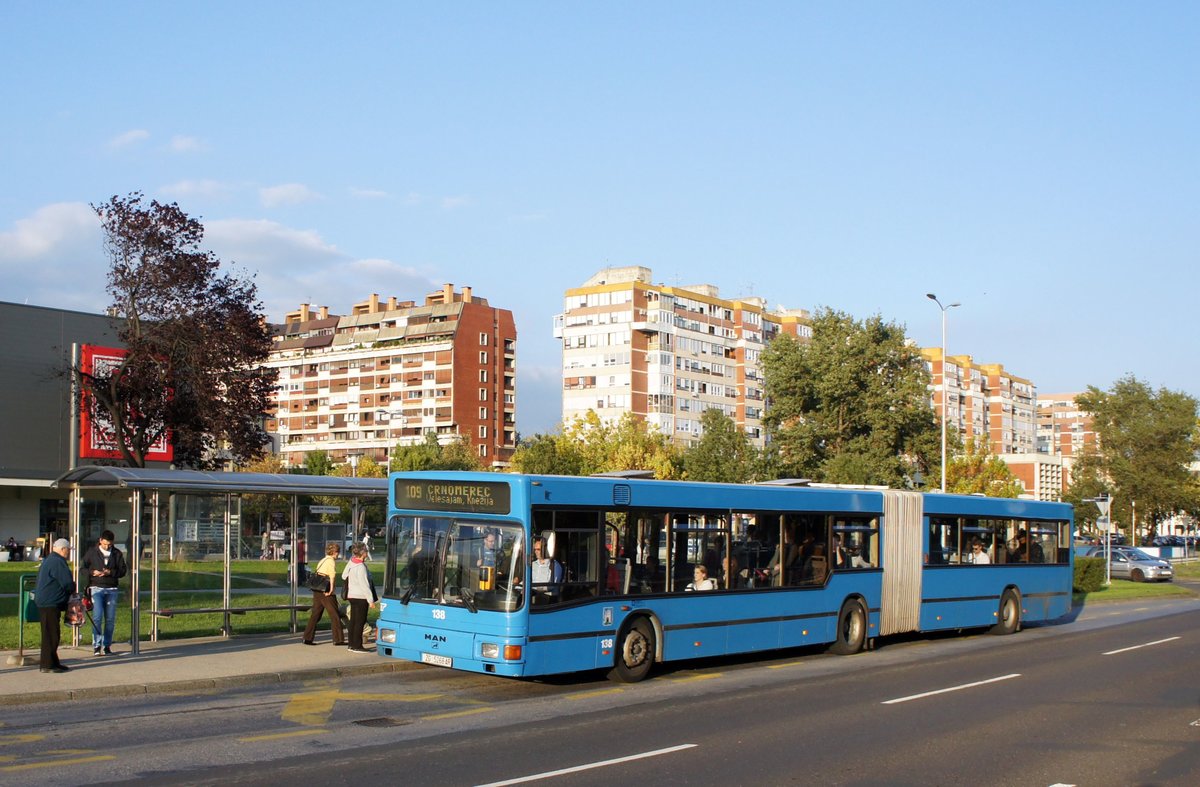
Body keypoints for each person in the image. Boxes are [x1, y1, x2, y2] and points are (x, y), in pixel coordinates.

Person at [81, 529, 128, 656]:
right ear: (100, 540)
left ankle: (107, 645)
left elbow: (123, 571)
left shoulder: (117, 553)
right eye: (105, 544)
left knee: (110, 619)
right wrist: (92, 573)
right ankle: (97, 645)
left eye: (110, 544)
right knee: (97, 617)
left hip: (111, 588)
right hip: (96, 587)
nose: (107, 546)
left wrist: (110, 572)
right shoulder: (92, 552)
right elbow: (83, 568)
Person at [34, 538, 75, 673]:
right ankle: (47, 665)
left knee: (51, 633)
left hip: (47, 601)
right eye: (68, 550)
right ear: (63, 549)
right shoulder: (57, 562)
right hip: (50, 602)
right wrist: (72, 591)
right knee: (51, 634)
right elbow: (67, 582)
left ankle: (54, 662)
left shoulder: (50, 559)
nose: (68, 553)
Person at [302, 543, 345, 646]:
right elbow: (332, 576)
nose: (338, 555)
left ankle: (307, 638)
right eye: (337, 553)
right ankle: (338, 639)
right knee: (334, 614)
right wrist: (331, 589)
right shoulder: (331, 561)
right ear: (334, 552)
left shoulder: (323, 560)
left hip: (317, 589)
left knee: (315, 614)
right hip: (325, 590)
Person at [341, 543, 378, 653]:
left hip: (352, 595)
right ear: (362, 553)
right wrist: (370, 600)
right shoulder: (361, 567)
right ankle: (357, 645)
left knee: (353, 621)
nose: (367, 552)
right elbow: (364, 585)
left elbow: (343, 575)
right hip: (361, 597)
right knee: (360, 622)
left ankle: (351, 644)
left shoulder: (352, 562)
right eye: (366, 550)